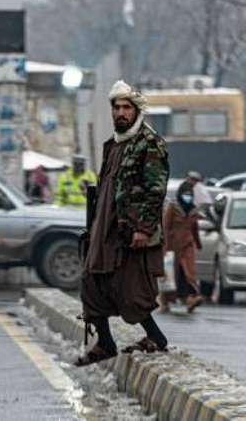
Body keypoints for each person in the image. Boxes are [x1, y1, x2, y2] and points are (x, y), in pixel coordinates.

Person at [75, 80, 170, 367]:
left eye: (126, 107)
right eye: (116, 107)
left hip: (130, 233)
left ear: (136, 111)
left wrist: (143, 228)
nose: (120, 113)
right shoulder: (113, 146)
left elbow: (156, 191)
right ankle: (105, 343)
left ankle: (156, 339)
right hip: (104, 230)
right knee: (92, 283)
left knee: (131, 290)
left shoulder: (148, 144)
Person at [160, 180, 204, 313]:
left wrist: (198, 243)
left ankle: (191, 297)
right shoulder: (173, 208)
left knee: (188, 272)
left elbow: (194, 228)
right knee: (171, 274)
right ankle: (166, 300)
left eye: (190, 194)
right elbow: (166, 227)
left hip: (187, 246)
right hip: (172, 246)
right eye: (185, 194)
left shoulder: (193, 210)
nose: (188, 196)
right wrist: (165, 245)